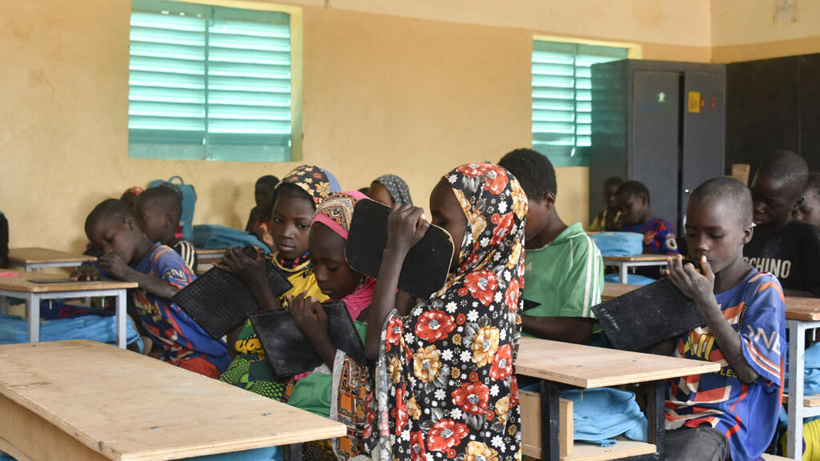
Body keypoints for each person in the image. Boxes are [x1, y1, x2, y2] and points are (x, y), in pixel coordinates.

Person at [359, 162, 525, 460]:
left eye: (442, 221)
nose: (433, 230)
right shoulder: (486, 276)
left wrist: (395, 250)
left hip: (451, 451)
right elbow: (397, 321)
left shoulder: (476, 292)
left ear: (481, 227)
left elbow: (377, 345)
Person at [662, 177, 785, 461]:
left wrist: (706, 302)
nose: (701, 245)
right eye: (692, 234)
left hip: (726, 423)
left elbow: (749, 372)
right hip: (670, 414)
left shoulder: (761, 290)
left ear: (746, 234)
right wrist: (665, 302)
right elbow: (658, 358)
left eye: (715, 235)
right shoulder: (687, 284)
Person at [216, 165, 337, 400]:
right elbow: (235, 345)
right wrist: (234, 290)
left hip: (285, 388)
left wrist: (260, 286)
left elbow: (292, 359)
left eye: (301, 225)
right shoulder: (260, 266)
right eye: (279, 220)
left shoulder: (324, 280)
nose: (285, 232)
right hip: (238, 373)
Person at [71, 199, 230, 377]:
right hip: (173, 356)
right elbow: (94, 265)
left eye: (109, 239)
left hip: (207, 355)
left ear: (129, 224)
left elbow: (181, 292)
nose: (107, 250)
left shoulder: (163, 256)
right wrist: (87, 268)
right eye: (100, 247)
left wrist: (129, 274)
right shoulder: (127, 264)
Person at [284, 191, 377, 460]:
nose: (320, 276)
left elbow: (364, 385)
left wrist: (318, 338)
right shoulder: (333, 303)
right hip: (301, 417)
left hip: (336, 436)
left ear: (363, 260)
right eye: (314, 263)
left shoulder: (383, 308)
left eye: (332, 266)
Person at [499, 148, 603, 344]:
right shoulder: (511, 247)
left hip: (553, 364)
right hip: (509, 359)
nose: (512, 221)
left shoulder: (580, 248)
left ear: (548, 201)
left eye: (521, 211)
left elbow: (578, 332)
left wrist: (512, 319)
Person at [745, 151, 820, 296]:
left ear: (795, 204)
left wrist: (767, 292)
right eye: (754, 196)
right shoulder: (741, 233)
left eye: (771, 203)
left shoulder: (808, 238)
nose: (758, 207)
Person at [136, 185, 197, 271]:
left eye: (142, 218)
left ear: (168, 220)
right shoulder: (147, 250)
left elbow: (183, 282)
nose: (137, 223)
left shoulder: (182, 248)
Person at [617, 180, 679, 255]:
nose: (624, 212)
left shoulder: (661, 226)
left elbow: (672, 256)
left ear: (643, 200)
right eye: (621, 209)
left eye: (628, 206)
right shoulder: (627, 228)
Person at [245, 175, 280, 250]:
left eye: (264, 194)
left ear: (275, 195)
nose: (259, 198)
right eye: (257, 194)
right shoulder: (255, 213)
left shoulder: (280, 216)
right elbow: (246, 238)